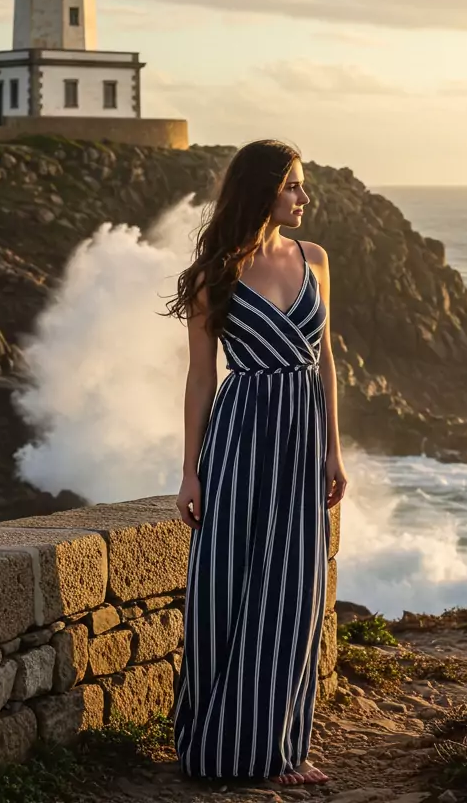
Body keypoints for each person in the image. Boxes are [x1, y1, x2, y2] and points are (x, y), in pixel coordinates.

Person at [167, 139, 348, 786]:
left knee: (292, 594)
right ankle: (218, 742)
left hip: (301, 441)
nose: (304, 197)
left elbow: (324, 360)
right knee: (226, 586)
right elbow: (198, 380)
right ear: (262, 190)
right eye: (294, 185)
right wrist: (189, 471)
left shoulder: (315, 259)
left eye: (302, 186)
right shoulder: (212, 272)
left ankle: (279, 747)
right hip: (239, 439)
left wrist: (333, 447)